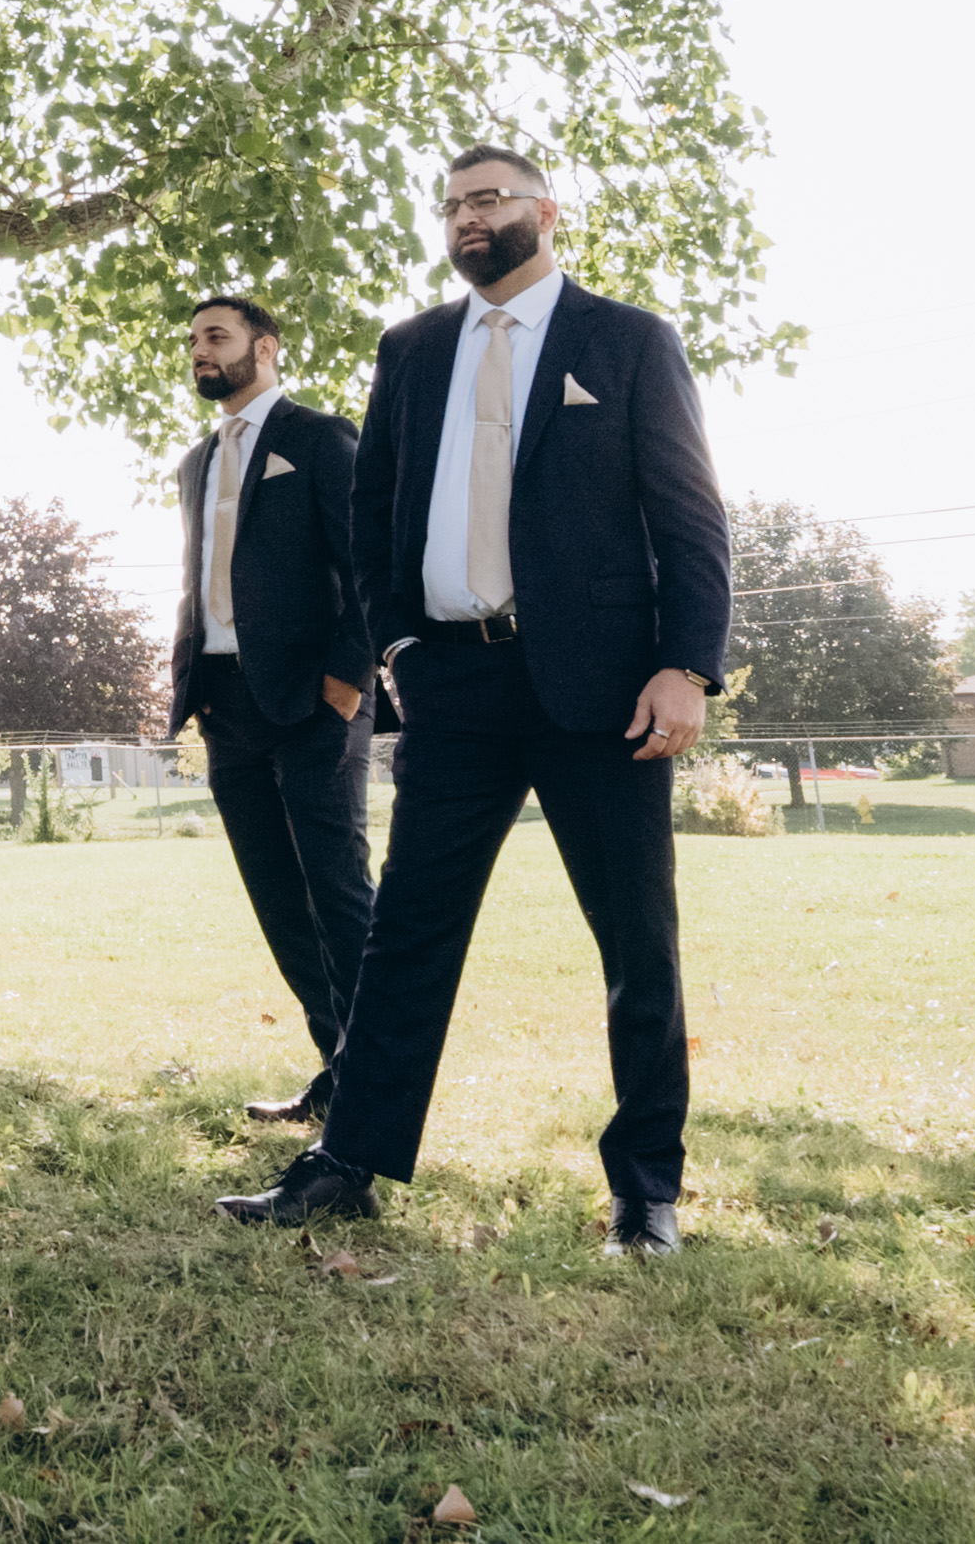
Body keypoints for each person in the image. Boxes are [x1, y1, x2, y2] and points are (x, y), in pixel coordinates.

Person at [217, 146, 732, 1256]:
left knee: (636, 943)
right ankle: (348, 1160)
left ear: (546, 209)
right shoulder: (410, 350)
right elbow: (374, 516)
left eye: (487, 198)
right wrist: (400, 640)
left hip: (604, 691)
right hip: (454, 685)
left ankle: (646, 1189)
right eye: (451, 204)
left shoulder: (628, 340)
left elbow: (692, 516)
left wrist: (687, 666)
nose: (466, 217)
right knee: (406, 934)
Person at [166, 296, 372, 1128]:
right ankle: (337, 1069)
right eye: (193, 340)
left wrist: (347, 680)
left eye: (216, 336)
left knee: (338, 893)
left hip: (314, 702)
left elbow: (368, 563)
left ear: (267, 347)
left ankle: (376, 1090)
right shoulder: (196, 462)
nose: (200, 350)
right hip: (225, 703)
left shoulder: (320, 439)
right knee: (279, 900)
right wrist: (192, 686)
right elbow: (202, 582)